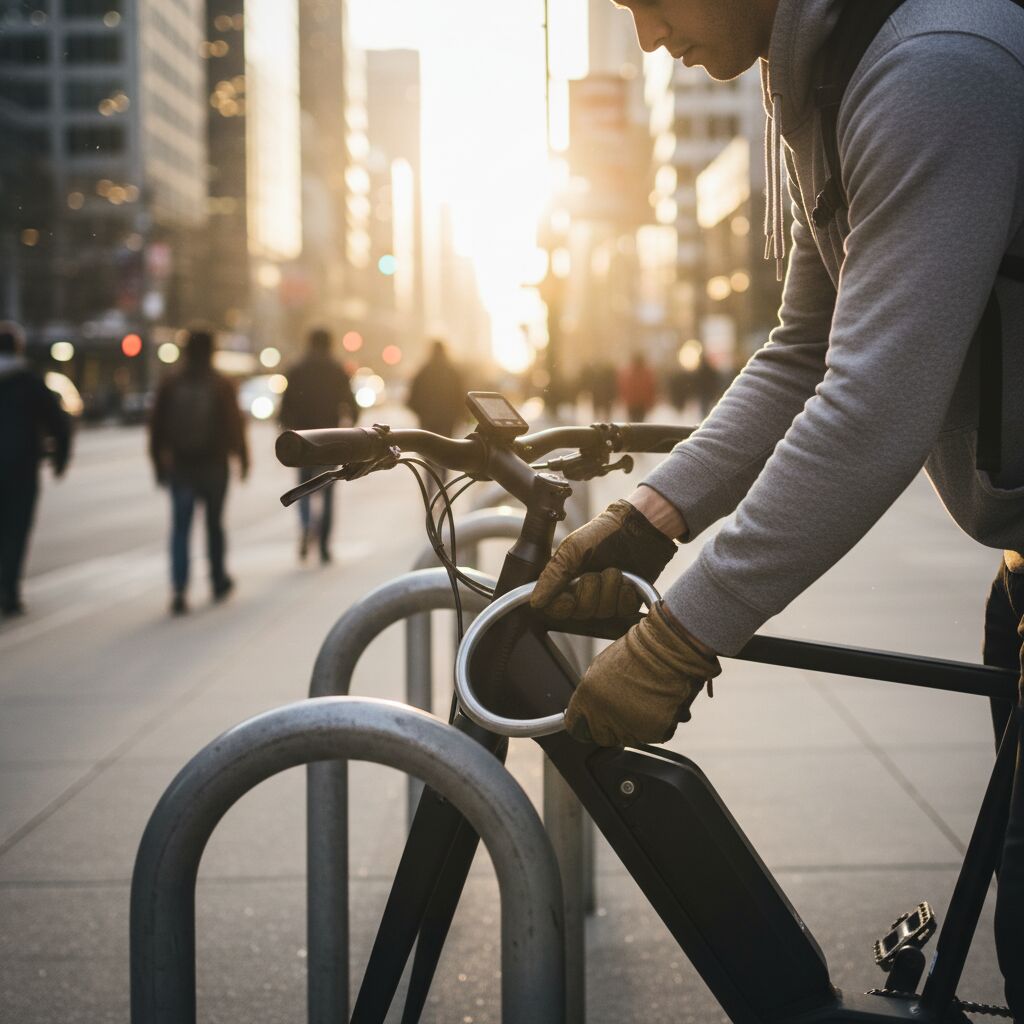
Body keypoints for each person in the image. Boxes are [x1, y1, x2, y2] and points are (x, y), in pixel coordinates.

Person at [530, 0, 1024, 1016]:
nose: (649, 38)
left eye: (652, 1)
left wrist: (682, 633)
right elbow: (805, 348)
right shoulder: (821, 75)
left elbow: (873, 402)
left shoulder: (933, 65)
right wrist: (652, 515)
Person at [148, 326, 249, 615]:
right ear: (212, 351)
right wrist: (242, 458)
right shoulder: (221, 384)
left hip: (181, 466)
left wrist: (158, 463)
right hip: (215, 465)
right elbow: (235, 425)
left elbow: (156, 428)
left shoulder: (171, 383)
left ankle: (179, 588)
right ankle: (217, 580)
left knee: (181, 528)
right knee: (214, 526)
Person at [0, 321, 72, 616]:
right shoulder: (29, 382)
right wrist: (60, 459)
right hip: (21, 468)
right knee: (16, 530)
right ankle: (10, 590)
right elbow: (58, 422)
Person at [278, 326, 358, 563]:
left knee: (303, 488)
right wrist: (353, 432)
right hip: (331, 441)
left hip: (303, 441)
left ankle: (306, 526)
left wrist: (286, 432)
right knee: (329, 490)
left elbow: (285, 407)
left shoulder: (296, 369)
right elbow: (352, 405)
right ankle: (323, 544)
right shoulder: (337, 370)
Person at [407, 339, 466, 490]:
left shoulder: (424, 371)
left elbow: (411, 399)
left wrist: (422, 413)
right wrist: (457, 417)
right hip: (447, 423)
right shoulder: (452, 372)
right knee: (445, 457)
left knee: (429, 460)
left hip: (428, 425)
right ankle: (444, 492)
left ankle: (431, 494)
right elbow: (461, 399)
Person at [617, 352, 657, 422]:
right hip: (641, 403)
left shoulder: (628, 372)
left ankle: (633, 432)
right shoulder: (647, 373)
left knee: (632, 422)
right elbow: (651, 389)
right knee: (640, 422)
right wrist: (650, 402)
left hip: (632, 403)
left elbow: (623, 387)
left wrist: (624, 399)